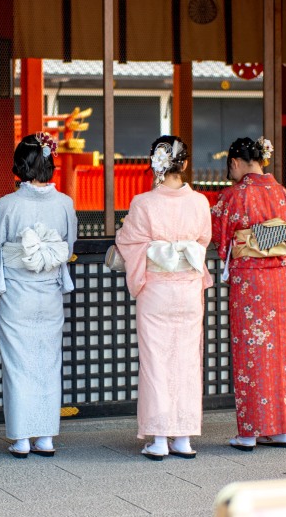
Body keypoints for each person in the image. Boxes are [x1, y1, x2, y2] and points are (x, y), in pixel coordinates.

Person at [0, 132, 77, 459]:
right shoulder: (65, 204)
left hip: (17, 295)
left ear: (20, 166)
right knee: (49, 362)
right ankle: (45, 436)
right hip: (49, 294)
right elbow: (68, 245)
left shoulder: (7, 205)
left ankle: (21, 438)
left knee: (18, 364)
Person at [115, 136, 212, 460]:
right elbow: (203, 241)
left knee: (156, 362)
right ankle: (183, 436)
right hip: (187, 289)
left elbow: (128, 242)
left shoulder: (143, 203)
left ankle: (158, 439)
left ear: (155, 163)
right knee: (186, 361)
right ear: (184, 164)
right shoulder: (199, 202)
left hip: (156, 289)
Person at [211, 136, 286, 451]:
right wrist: (270, 237)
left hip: (250, 282)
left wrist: (248, 242)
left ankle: (249, 432)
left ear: (235, 162)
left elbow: (219, 236)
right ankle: (282, 430)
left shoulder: (234, 195)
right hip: (281, 281)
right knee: (281, 354)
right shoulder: (282, 193)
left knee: (251, 355)